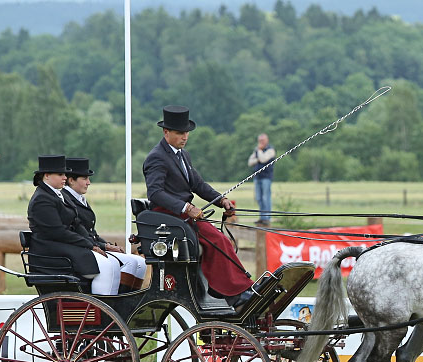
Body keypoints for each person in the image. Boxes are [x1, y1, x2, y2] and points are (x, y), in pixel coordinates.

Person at [143, 105, 255, 310]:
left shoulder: (183, 156)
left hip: (183, 216)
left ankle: (237, 287)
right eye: (179, 133)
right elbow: (155, 193)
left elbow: (198, 185)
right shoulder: (157, 157)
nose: (185, 137)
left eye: (186, 132)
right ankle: (231, 293)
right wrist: (185, 207)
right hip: (168, 217)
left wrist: (221, 200)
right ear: (166, 132)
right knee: (217, 240)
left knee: (223, 240)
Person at [27, 154, 120, 295]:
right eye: (60, 174)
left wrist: (94, 244)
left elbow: (76, 225)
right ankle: (99, 311)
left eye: (64, 174)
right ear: (46, 176)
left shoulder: (59, 195)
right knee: (106, 266)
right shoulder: (42, 199)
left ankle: (107, 308)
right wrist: (89, 245)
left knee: (112, 263)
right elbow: (58, 232)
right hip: (50, 251)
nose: (65, 177)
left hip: (63, 246)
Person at [63, 157, 147, 294]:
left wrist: (106, 244)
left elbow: (92, 232)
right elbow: (81, 233)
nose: (88, 183)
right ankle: (114, 303)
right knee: (130, 263)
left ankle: (127, 300)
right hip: (83, 248)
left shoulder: (79, 198)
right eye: (84, 178)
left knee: (140, 263)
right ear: (71, 180)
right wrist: (104, 246)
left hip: (92, 244)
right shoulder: (67, 199)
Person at [247, 133, 275, 226]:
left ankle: (267, 218)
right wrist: (258, 157)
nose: (261, 143)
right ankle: (262, 217)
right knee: (258, 198)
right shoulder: (257, 151)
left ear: (267, 140)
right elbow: (250, 162)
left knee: (266, 197)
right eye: (260, 141)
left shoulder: (270, 150)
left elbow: (263, 159)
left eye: (262, 141)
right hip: (257, 177)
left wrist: (259, 151)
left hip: (266, 177)